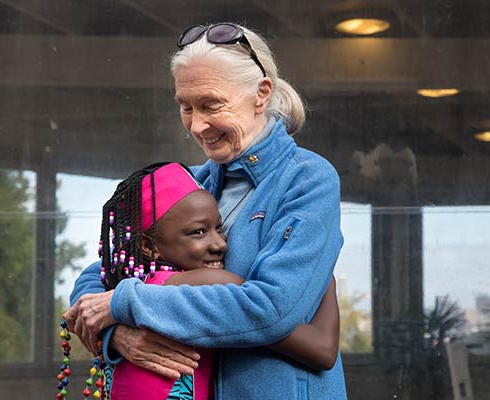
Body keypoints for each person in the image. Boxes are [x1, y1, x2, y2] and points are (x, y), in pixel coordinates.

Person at [65, 22, 347, 399]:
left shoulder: (309, 181)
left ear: (261, 94)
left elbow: (271, 309)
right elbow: (104, 272)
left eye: (210, 105)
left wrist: (125, 304)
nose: (197, 125)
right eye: (186, 107)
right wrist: (119, 334)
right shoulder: (190, 184)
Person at [69, 161, 338, 400]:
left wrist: (113, 324)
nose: (219, 243)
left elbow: (96, 281)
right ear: (149, 246)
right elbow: (322, 349)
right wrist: (320, 261)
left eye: (219, 227)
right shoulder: (210, 281)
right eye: (199, 232)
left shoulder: (130, 281)